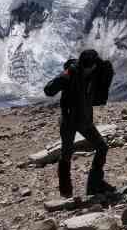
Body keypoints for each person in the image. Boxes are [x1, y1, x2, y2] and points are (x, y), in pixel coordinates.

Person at [45, 49, 115, 199]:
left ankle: (94, 185)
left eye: (91, 66)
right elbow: (49, 90)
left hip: (85, 120)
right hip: (69, 121)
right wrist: (63, 77)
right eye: (87, 66)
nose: (89, 69)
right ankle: (66, 191)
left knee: (102, 147)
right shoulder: (71, 73)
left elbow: (103, 80)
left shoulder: (96, 71)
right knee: (66, 154)